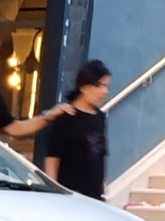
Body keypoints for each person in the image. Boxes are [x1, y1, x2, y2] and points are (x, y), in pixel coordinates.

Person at [12, 59, 113, 198]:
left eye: (106, 86)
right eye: (99, 85)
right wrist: (53, 193)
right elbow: (52, 158)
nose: (104, 91)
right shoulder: (66, 115)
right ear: (84, 86)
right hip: (70, 192)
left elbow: (101, 155)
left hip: (94, 194)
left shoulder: (100, 117)